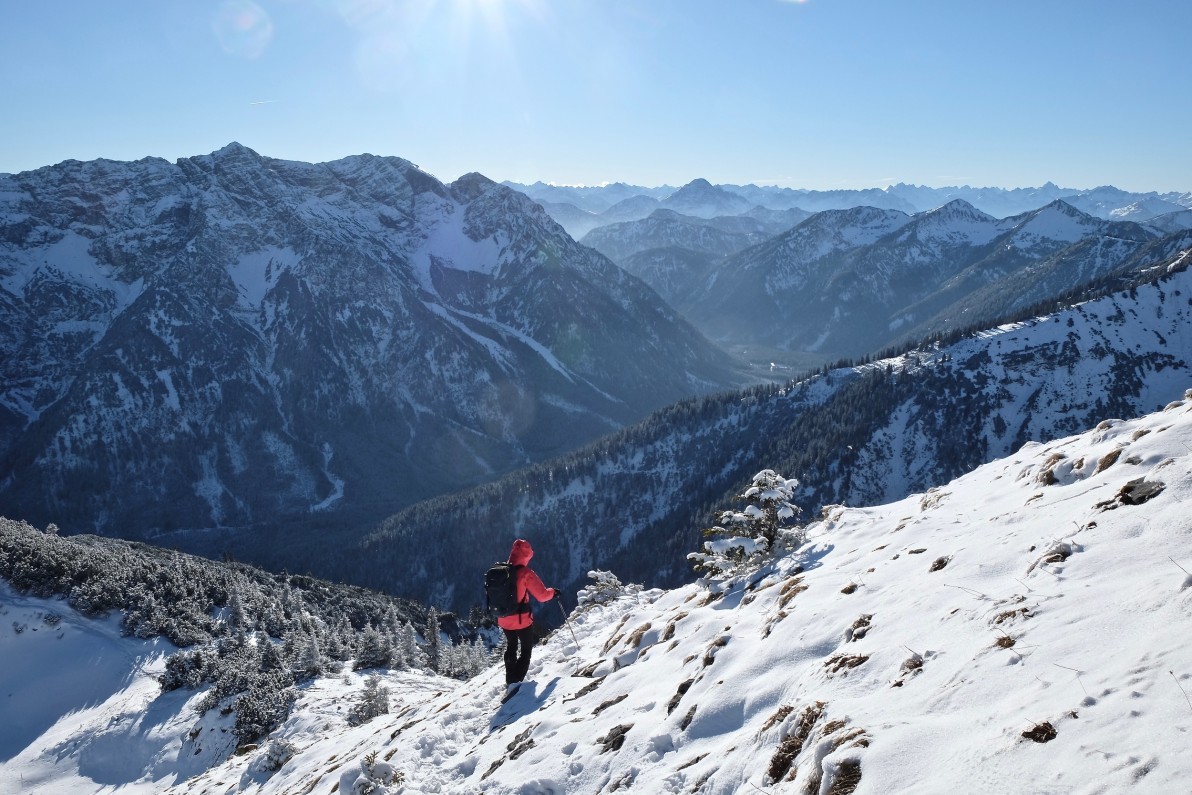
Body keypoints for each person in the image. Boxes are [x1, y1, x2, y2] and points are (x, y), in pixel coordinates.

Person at [498, 538, 558, 688]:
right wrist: (553, 592)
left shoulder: (501, 571)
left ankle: (510, 679)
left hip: (503, 618)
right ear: (527, 556)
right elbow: (542, 595)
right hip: (521, 619)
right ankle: (515, 683)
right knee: (526, 649)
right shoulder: (525, 573)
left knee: (511, 646)